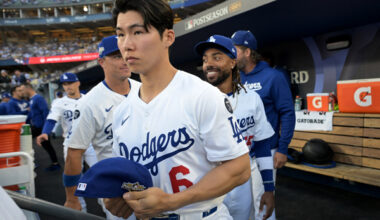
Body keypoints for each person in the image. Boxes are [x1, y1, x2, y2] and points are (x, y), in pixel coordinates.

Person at [107, 1, 250, 219]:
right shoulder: (121, 113)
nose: (126, 45)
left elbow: (239, 169)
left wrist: (171, 201)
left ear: (168, 37)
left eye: (137, 32)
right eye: (120, 34)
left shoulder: (202, 95)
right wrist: (122, 197)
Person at [195, 34, 276, 220]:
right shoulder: (196, 101)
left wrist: (269, 189)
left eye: (217, 57)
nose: (209, 64)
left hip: (242, 183)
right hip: (208, 182)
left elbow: (263, 146)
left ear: (232, 63)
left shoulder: (251, 98)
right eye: (205, 59)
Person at [62, 35, 140, 220]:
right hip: (117, 186)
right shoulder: (89, 103)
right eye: (116, 56)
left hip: (150, 179)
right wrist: (71, 198)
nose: (124, 60)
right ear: (101, 62)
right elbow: (74, 153)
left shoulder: (142, 88)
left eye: (125, 53)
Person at [231, 30, 296, 220]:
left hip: (266, 150)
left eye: (234, 50)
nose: (231, 55)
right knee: (245, 203)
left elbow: (287, 112)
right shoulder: (238, 78)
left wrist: (283, 149)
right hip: (242, 152)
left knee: (263, 201)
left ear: (247, 52)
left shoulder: (273, 76)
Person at [36, 72, 98, 212]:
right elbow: (52, 119)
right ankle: (80, 209)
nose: (67, 86)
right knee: (74, 179)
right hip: (70, 144)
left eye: (70, 83)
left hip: (90, 143)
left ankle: (106, 204)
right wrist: (45, 132)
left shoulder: (89, 99)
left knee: (101, 172)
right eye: (64, 84)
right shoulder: (59, 102)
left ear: (77, 83)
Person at [24, 83, 60, 171]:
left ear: (28, 88)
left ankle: (55, 164)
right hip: (36, 126)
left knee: (46, 145)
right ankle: (55, 163)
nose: (22, 92)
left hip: (41, 127)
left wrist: (45, 129)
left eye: (23, 90)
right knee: (46, 145)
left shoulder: (38, 98)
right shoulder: (31, 99)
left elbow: (45, 112)